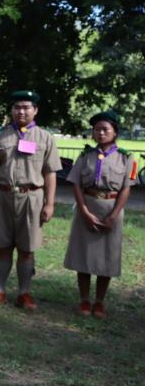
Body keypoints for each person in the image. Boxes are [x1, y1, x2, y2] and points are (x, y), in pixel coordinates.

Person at [0, 90, 61, 311]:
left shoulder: (45, 138)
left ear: (35, 110)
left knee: (27, 249)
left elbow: (50, 172)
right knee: (3, 245)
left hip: (32, 197)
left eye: (26, 107)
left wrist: (50, 203)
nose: (21, 111)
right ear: (12, 110)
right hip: (3, 196)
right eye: (17, 107)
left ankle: (24, 292)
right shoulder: (0, 136)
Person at [64, 111, 135, 318]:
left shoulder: (126, 157)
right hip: (88, 207)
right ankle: (85, 300)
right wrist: (84, 210)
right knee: (83, 256)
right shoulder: (86, 156)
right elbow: (76, 183)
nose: (101, 133)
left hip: (111, 210)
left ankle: (100, 301)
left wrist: (114, 215)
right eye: (97, 130)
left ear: (115, 132)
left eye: (105, 129)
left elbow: (126, 188)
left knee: (107, 257)